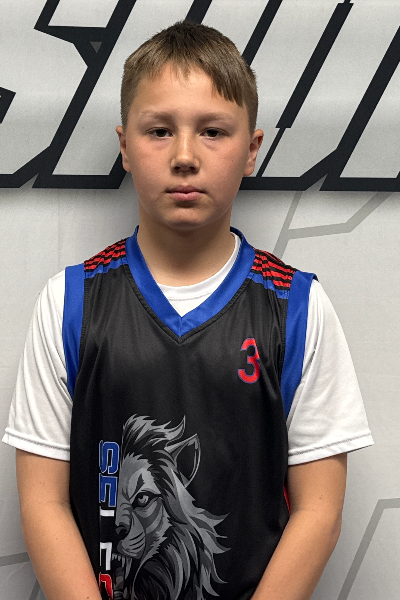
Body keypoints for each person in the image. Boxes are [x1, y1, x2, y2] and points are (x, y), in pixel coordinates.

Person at [3, 20, 373, 600]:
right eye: (159, 130)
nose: (183, 156)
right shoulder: (69, 303)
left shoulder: (298, 307)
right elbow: (43, 502)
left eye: (212, 132)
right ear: (125, 146)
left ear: (252, 150)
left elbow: (319, 511)